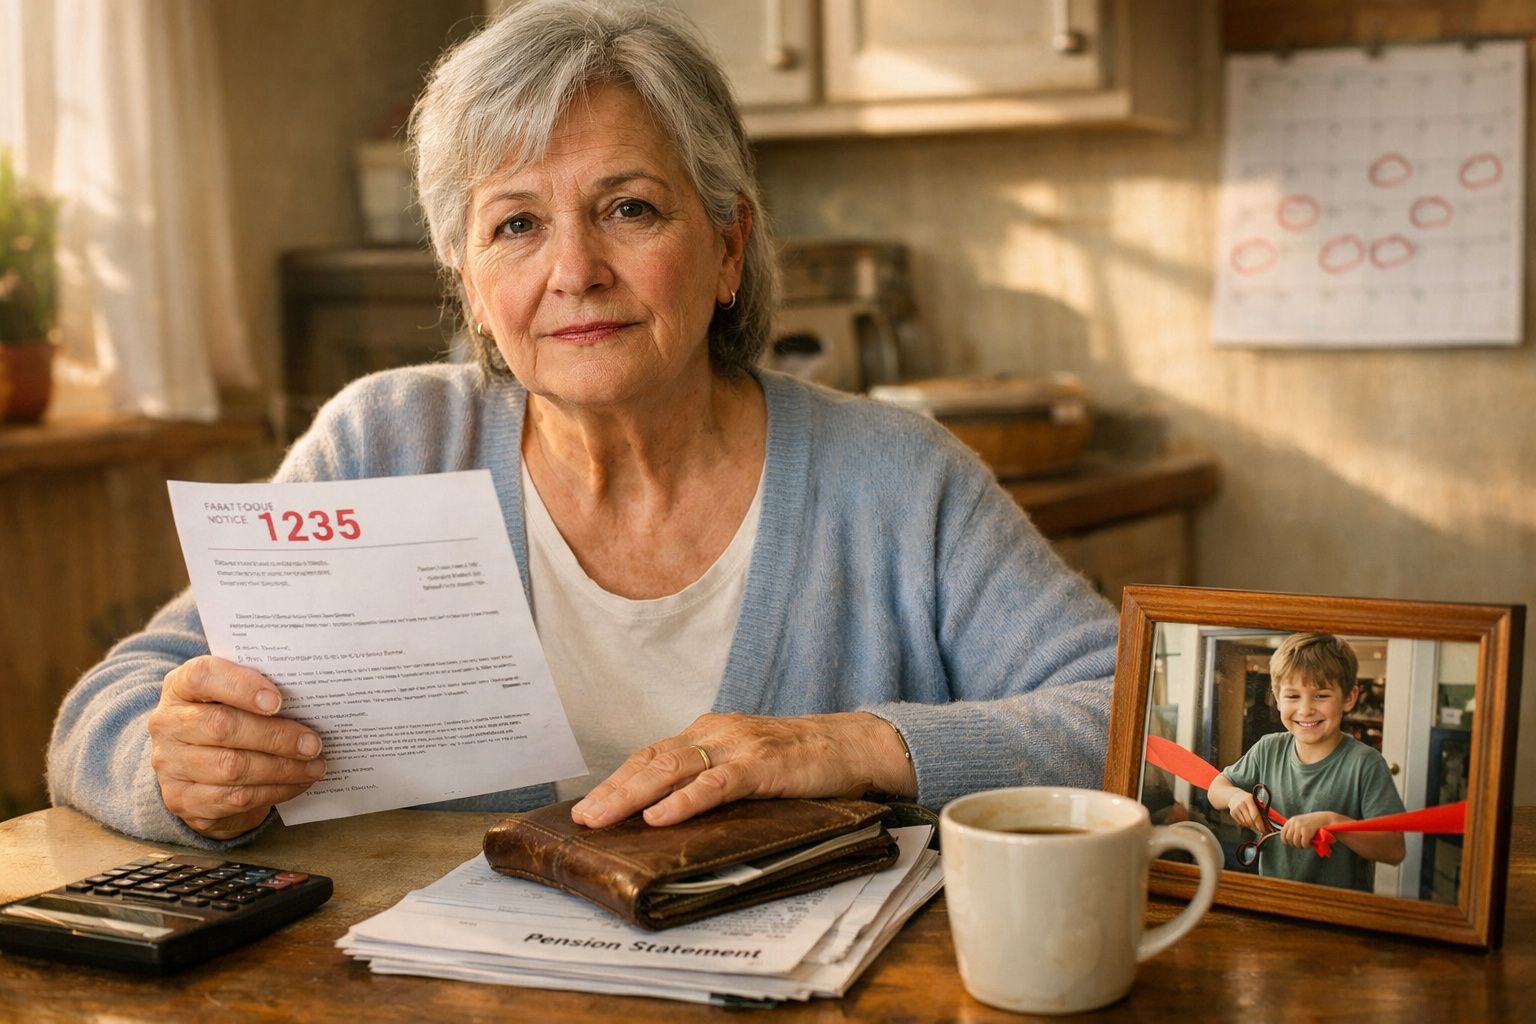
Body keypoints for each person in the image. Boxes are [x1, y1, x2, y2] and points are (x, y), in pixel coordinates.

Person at [45, 0, 1117, 849]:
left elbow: (1140, 714)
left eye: (630, 208)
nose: (576, 273)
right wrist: (181, 766)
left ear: (728, 246)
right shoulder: (385, 446)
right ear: (470, 284)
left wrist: (852, 744)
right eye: (516, 224)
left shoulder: (894, 479)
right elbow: (106, 708)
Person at [1208, 633, 1406, 891]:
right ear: (1277, 697)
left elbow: (1393, 849)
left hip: (1340, 914)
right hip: (1273, 900)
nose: (1305, 709)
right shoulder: (1268, 748)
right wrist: (1234, 796)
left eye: (1321, 695)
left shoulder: (1366, 764)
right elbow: (1216, 789)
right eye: (1292, 696)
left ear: (1349, 697)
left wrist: (1333, 822)